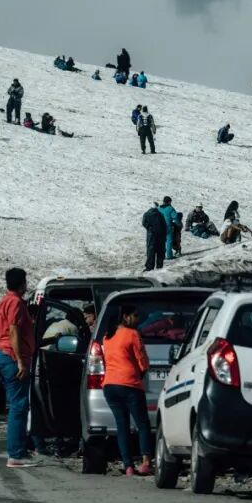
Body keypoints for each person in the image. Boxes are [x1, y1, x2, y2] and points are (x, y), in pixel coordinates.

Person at [102, 302, 154, 476]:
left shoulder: (107, 336)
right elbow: (143, 361)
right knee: (142, 423)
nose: (138, 319)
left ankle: (128, 465)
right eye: (135, 315)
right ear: (126, 316)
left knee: (121, 425)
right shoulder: (132, 334)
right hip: (129, 383)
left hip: (110, 384)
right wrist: (143, 372)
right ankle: (146, 462)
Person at [0, 268, 36, 468]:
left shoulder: (2, 302)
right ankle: (16, 455)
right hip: (12, 358)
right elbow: (13, 331)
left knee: (16, 405)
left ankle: (19, 451)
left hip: (1, 356)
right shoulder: (16, 303)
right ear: (22, 284)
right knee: (19, 407)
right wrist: (20, 360)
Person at [142, 203, 167, 271]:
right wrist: (164, 236)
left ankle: (149, 267)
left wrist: (150, 228)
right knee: (160, 251)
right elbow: (164, 226)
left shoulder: (146, 214)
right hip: (160, 236)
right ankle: (159, 266)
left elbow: (144, 223)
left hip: (151, 236)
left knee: (151, 251)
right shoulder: (160, 214)